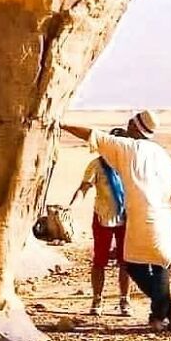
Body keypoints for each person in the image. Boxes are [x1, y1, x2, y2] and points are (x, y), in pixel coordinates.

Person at [62, 110, 171, 331]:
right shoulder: (162, 153)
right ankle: (161, 315)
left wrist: (61, 124)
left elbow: (92, 134)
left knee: (133, 265)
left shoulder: (130, 148)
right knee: (160, 265)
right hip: (166, 218)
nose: (127, 127)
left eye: (130, 124)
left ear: (137, 128)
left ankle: (166, 307)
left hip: (145, 220)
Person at [70, 127, 131, 317]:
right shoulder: (96, 165)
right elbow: (84, 188)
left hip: (126, 218)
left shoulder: (128, 165)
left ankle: (124, 299)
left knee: (126, 261)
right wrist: (72, 205)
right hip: (103, 218)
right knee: (99, 261)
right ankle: (97, 299)